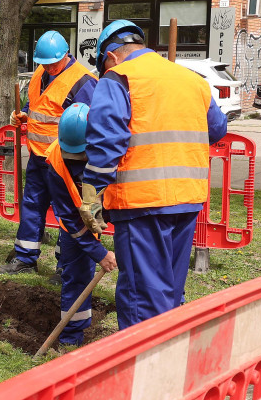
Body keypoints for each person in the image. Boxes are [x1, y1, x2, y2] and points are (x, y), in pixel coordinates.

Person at [80, 19, 228, 329]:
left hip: (141, 206)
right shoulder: (192, 79)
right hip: (187, 202)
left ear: (111, 56)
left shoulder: (118, 77)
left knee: (141, 300)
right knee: (169, 294)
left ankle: (142, 370)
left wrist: (91, 198)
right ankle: (168, 361)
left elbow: (106, 145)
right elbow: (216, 129)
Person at [0, 30, 97, 274]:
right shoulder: (39, 75)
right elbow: (35, 106)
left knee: (68, 214)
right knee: (32, 205)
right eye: (44, 64)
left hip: (66, 162)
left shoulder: (83, 81)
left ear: (65, 56)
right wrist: (22, 114)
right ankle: (25, 258)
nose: (49, 68)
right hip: (37, 157)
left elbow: (90, 121)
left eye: (53, 63)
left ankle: (66, 266)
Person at [42, 104, 117, 348]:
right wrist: (99, 253)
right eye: (71, 156)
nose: (76, 163)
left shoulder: (111, 147)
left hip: (116, 208)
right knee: (77, 276)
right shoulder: (54, 163)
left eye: (81, 156)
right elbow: (70, 218)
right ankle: (71, 338)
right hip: (75, 220)